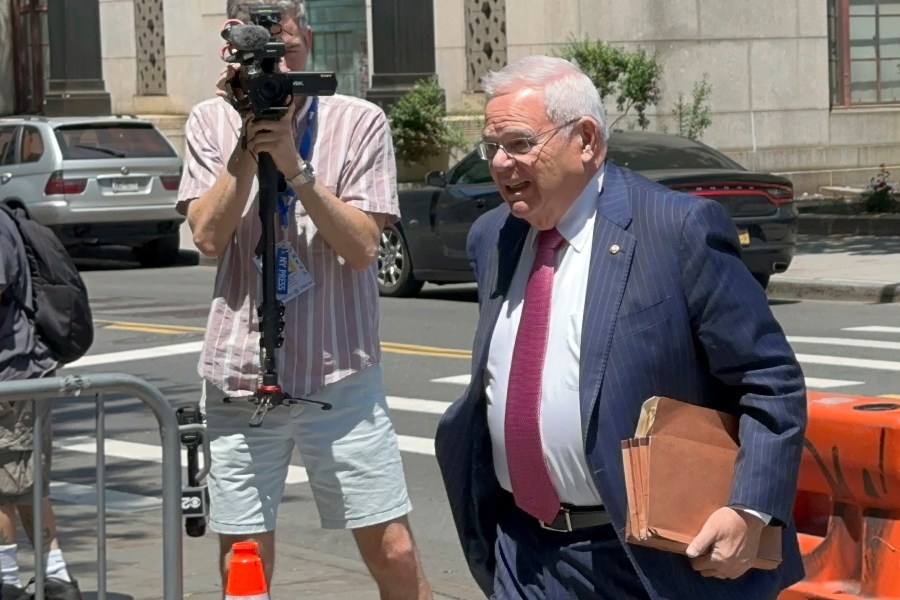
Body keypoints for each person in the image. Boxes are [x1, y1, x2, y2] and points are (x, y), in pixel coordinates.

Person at [434, 55, 808, 599]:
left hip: (641, 561)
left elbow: (769, 379)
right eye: (490, 146)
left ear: (585, 139)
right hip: (522, 550)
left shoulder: (674, 229)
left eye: (517, 143)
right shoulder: (494, 236)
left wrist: (748, 510)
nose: (498, 163)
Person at [176, 1, 432, 597]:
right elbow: (209, 237)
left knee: (391, 545)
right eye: (256, 43)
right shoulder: (210, 121)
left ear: (306, 39)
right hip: (242, 376)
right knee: (244, 555)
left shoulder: (359, 120)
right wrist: (247, 145)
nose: (273, 54)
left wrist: (294, 164)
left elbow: (365, 247)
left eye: (282, 37)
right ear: (230, 49)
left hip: (338, 370)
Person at [0, 208, 83, 600]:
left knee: (8, 485)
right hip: (21, 375)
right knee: (24, 484)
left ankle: (10, 581)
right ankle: (55, 578)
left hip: (12, 378)